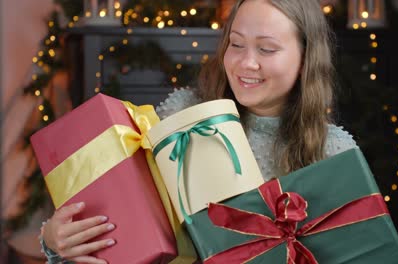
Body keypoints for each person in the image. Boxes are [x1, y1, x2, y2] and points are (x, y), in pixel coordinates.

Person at [40, 0, 358, 263]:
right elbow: (125, 226)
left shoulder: (335, 152)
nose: (246, 63)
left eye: (267, 49)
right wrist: (55, 240)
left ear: (305, 58)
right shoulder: (181, 115)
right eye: (236, 44)